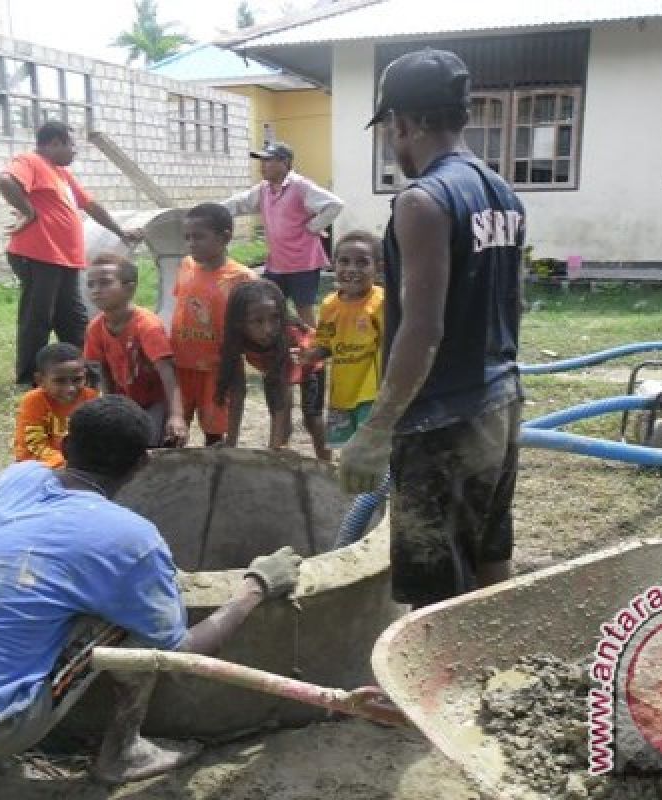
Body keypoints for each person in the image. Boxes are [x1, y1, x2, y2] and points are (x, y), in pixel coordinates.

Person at [0, 396, 303, 783]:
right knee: (130, 624)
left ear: (65, 445)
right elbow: (177, 654)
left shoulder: (18, 477)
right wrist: (257, 584)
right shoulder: (130, 539)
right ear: (141, 463)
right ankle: (122, 754)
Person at [339, 49, 526, 609]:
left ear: (405, 121)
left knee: (435, 592)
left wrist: (376, 431)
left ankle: (440, 691)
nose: (392, 144)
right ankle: (507, 676)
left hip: (442, 420)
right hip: (500, 402)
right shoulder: (503, 193)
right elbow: (515, 301)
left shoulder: (422, 200)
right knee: (491, 552)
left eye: (390, 130)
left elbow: (422, 329)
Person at [0, 119, 143, 386]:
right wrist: (29, 212)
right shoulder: (31, 161)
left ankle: (83, 367)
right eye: (71, 145)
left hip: (62, 258)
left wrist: (121, 231)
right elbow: (6, 181)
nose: (74, 151)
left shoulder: (61, 174)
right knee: (38, 315)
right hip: (38, 253)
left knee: (72, 316)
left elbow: (90, 204)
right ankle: (30, 375)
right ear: (54, 143)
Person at [223, 143, 344, 328]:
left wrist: (313, 227)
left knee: (304, 308)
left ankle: (311, 349)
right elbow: (240, 203)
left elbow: (335, 204)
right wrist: (212, 210)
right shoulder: (264, 189)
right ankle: (283, 344)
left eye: (268, 160)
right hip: (277, 263)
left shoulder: (300, 186)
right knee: (270, 306)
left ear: (285, 162)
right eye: (261, 161)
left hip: (303, 263)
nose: (262, 165)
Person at [171, 203, 256, 445]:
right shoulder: (186, 266)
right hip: (181, 363)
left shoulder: (242, 278)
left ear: (225, 237)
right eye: (187, 237)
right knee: (174, 430)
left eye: (198, 237)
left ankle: (218, 469)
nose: (191, 243)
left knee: (214, 433)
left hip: (217, 367)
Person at [216, 279, 330, 461]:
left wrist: (272, 451)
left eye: (275, 318)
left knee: (312, 418)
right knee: (277, 414)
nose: (268, 329)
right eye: (257, 321)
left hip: (309, 365)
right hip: (274, 370)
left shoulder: (291, 334)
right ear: (239, 323)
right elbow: (237, 392)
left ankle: (326, 464)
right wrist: (230, 443)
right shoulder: (234, 339)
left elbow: (283, 394)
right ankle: (280, 450)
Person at [84, 254, 188, 447]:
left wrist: (176, 416)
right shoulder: (95, 327)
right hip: (124, 400)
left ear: (129, 288)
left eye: (105, 283)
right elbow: (103, 370)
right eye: (91, 285)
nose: (96, 291)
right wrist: (110, 406)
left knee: (150, 445)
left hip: (155, 400)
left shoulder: (146, 326)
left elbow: (168, 371)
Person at [304, 231, 385, 448]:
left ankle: (382, 484)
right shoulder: (329, 305)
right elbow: (326, 344)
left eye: (362, 263)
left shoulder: (381, 304)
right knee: (347, 450)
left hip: (372, 393)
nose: (351, 269)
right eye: (344, 261)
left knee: (372, 449)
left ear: (378, 268)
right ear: (333, 264)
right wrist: (311, 354)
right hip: (342, 394)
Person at [14, 342, 99, 467]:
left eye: (77, 379)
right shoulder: (33, 402)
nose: (70, 388)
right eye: (60, 381)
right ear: (40, 380)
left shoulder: (92, 398)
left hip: (82, 468)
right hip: (42, 469)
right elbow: (32, 448)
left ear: (85, 375)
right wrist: (68, 464)